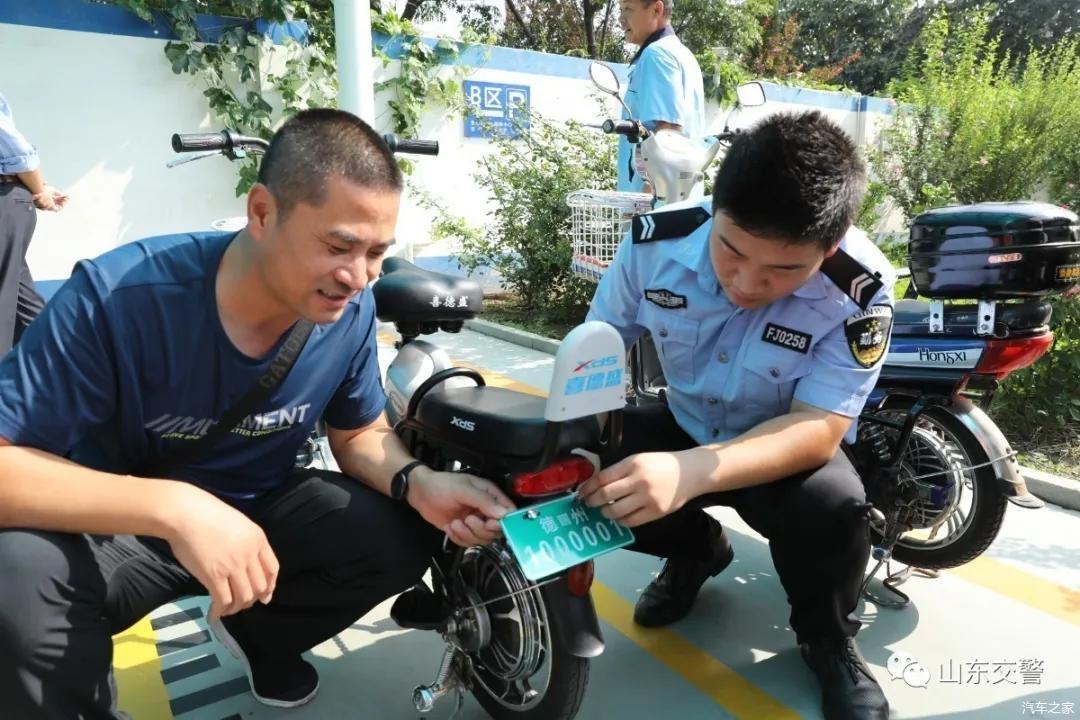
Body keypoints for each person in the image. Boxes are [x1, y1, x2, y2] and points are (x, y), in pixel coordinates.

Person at [0, 109, 515, 719]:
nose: (358, 277)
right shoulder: (119, 298)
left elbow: (358, 433)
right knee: (15, 577)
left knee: (400, 533)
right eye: (338, 245)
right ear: (263, 212)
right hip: (122, 526)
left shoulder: (345, 314)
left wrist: (418, 481)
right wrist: (177, 509)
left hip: (262, 512)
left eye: (377, 252)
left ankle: (260, 637)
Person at [581, 110, 895, 720]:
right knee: (582, 469)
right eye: (730, 250)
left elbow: (818, 428)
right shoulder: (655, 243)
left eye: (783, 269)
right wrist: (579, 425)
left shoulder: (859, 287)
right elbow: (597, 343)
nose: (746, 282)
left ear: (829, 248)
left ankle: (828, 640)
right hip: (684, 419)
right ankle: (698, 550)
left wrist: (691, 473)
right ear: (715, 210)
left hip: (779, 449)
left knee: (834, 507)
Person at [0, 90, 68, 356]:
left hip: (6, 197)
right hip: (10, 198)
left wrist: (39, 189)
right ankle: (60, 367)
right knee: (20, 300)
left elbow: (17, 153)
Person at [616, 0, 705, 194]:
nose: (621, 20)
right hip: (682, 201)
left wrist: (645, 212)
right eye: (621, 10)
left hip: (655, 208)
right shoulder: (683, 54)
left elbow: (668, 137)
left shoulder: (656, 55)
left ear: (657, 9)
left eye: (628, 9)